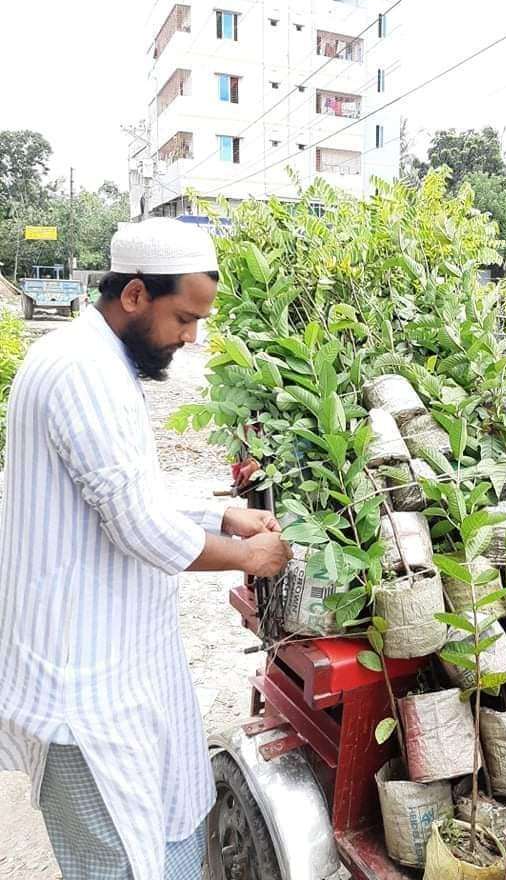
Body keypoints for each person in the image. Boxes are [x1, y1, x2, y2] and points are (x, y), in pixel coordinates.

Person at [0, 219, 292, 880]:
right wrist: (251, 558)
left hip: (112, 661)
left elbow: (128, 493)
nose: (191, 338)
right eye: (184, 318)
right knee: (117, 862)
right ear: (135, 295)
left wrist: (224, 513)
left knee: (160, 837)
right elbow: (138, 526)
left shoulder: (98, 358)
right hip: (80, 685)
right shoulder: (83, 372)